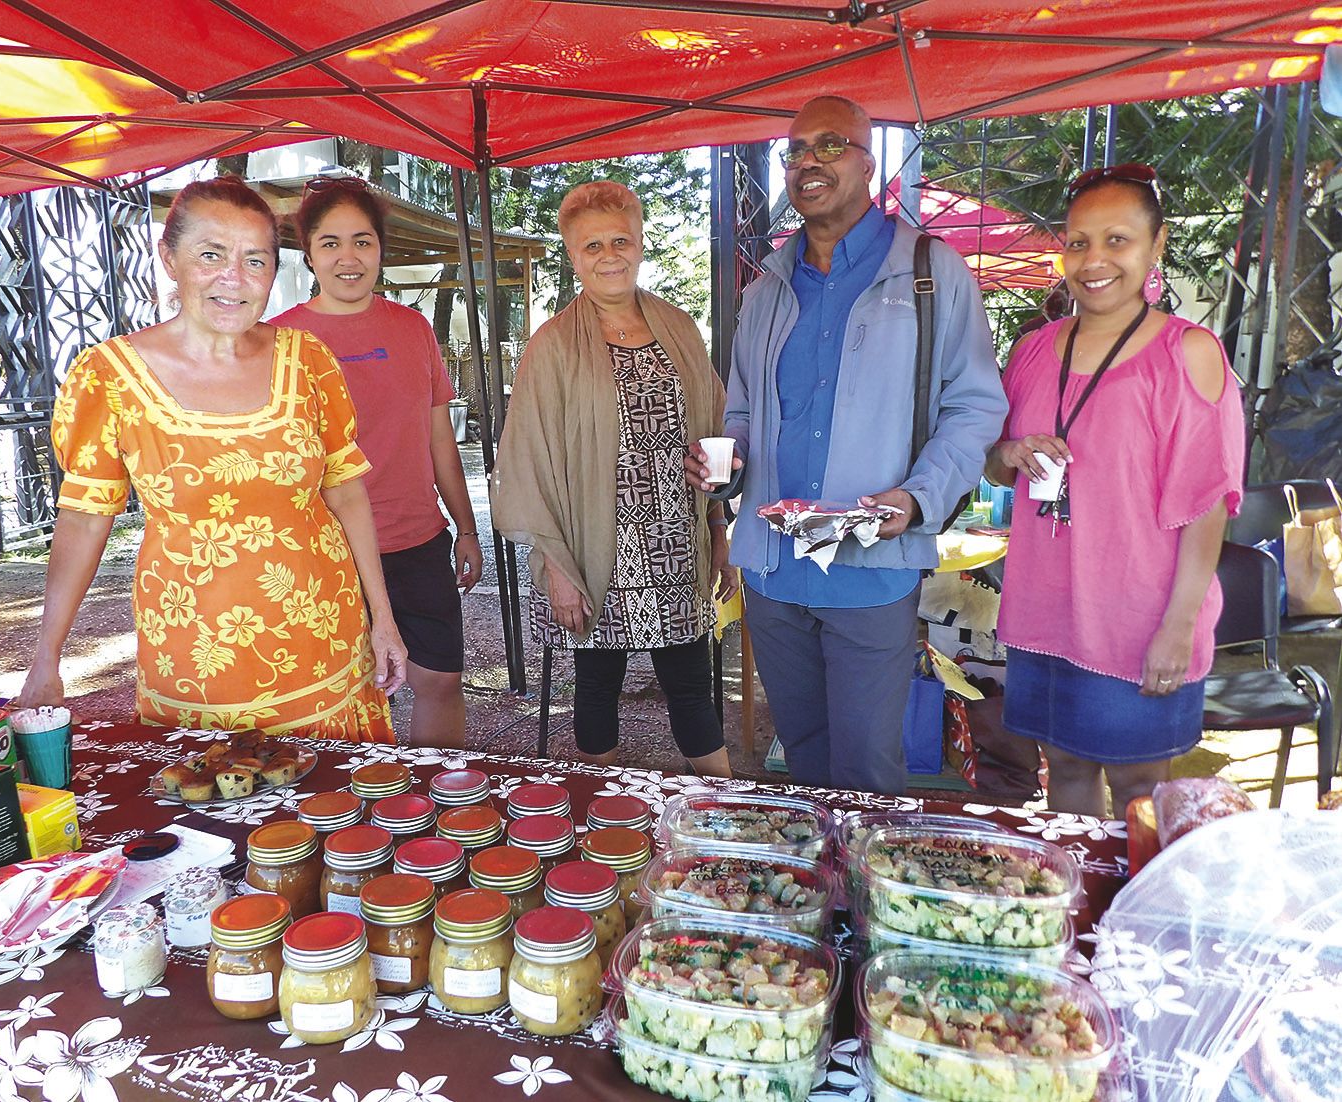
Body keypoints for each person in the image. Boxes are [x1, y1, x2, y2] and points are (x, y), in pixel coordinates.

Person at [686, 95, 1007, 795]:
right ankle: (816, 896)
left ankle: (861, 901)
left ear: (869, 162)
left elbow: (974, 406)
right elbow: (740, 406)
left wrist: (919, 498)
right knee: (801, 756)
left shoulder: (929, 270)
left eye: (828, 145)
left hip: (871, 568)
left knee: (865, 766)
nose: (807, 162)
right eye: (794, 150)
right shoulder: (765, 286)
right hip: (772, 572)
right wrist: (728, 461)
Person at [18, 176, 406, 740]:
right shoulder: (108, 376)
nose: (234, 278)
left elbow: (345, 492)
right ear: (169, 259)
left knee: (330, 810)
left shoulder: (308, 360)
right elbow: (83, 517)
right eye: (210, 255)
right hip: (193, 646)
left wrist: (384, 621)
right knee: (206, 804)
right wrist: (47, 655)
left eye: (256, 260)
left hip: (323, 630)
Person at [985, 163, 1244, 817]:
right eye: (1077, 242)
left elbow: (1207, 502)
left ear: (1155, 246)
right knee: (1065, 769)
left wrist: (1178, 626)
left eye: (1116, 239)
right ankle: (1080, 911)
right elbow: (994, 466)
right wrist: (1010, 452)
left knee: (1138, 790)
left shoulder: (1186, 352)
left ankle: (1132, 919)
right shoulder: (1033, 351)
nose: (1094, 259)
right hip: (1045, 610)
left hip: (1137, 617)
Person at [491, 180, 737, 778]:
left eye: (620, 240)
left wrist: (719, 532)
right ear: (572, 257)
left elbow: (714, 431)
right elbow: (530, 459)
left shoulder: (679, 329)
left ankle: (720, 806)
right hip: (594, 547)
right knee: (598, 685)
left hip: (676, 539)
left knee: (691, 684)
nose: (609, 255)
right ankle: (597, 808)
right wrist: (556, 569)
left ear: (641, 244)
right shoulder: (551, 347)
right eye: (592, 245)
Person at [270, 178, 481, 750]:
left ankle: (443, 802)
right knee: (348, 692)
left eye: (362, 241)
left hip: (418, 539)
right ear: (308, 253)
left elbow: (439, 437)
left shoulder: (413, 328)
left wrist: (465, 527)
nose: (348, 257)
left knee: (439, 679)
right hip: (325, 549)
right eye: (331, 243)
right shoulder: (279, 340)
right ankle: (364, 815)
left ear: (381, 249)